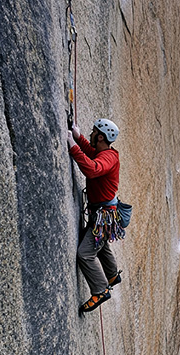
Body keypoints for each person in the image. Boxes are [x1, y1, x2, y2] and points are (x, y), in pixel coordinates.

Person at [67, 118, 124, 313]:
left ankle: (100, 290)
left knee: (86, 253)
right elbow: (91, 154)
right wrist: (78, 138)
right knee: (99, 242)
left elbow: (92, 170)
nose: (91, 134)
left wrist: (73, 147)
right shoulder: (104, 153)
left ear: (100, 136)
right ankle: (111, 274)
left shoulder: (109, 157)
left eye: (93, 132)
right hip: (103, 213)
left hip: (104, 215)